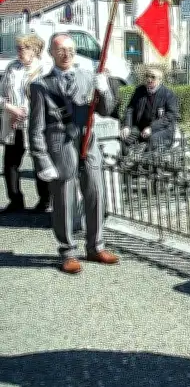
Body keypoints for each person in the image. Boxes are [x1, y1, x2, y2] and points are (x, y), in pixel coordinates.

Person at [27, 33, 119, 274]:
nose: (66, 54)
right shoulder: (41, 86)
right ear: (51, 54)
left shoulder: (88, 76)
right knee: (64, 202)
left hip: (88, 143)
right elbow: (35, 128)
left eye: (70, 49)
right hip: (61, 148)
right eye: (60, 50)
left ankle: (95, 246)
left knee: (96, 195)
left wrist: (105, 88)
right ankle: (67, 251)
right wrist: (41, 159)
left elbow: (107, 109)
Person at [0, 33, 51, 214]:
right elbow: (1, 94)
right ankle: (15, 200)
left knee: (39, 161)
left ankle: (45, 200)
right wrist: (10, 108)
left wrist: (26, 113)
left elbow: (48, 99)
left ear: (35, 50)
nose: (19, 52)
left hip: (36, 124)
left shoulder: (45, 69)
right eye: (18, 48)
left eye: (24, 48)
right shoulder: (12, 68)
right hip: (13, 123)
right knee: (10, 164)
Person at [120, 67, 178, 155]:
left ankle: (146, 166)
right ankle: (126, 163)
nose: (149, 79)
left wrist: (151, 128)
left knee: (153, 139)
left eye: (153, 77)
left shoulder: (168, 94)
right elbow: (130, 109)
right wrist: (127, 126)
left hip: (162, 129)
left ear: (160, 80)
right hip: (141, 127)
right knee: (124, 136)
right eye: (147, 76)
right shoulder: (139, 91)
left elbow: (170, 115)